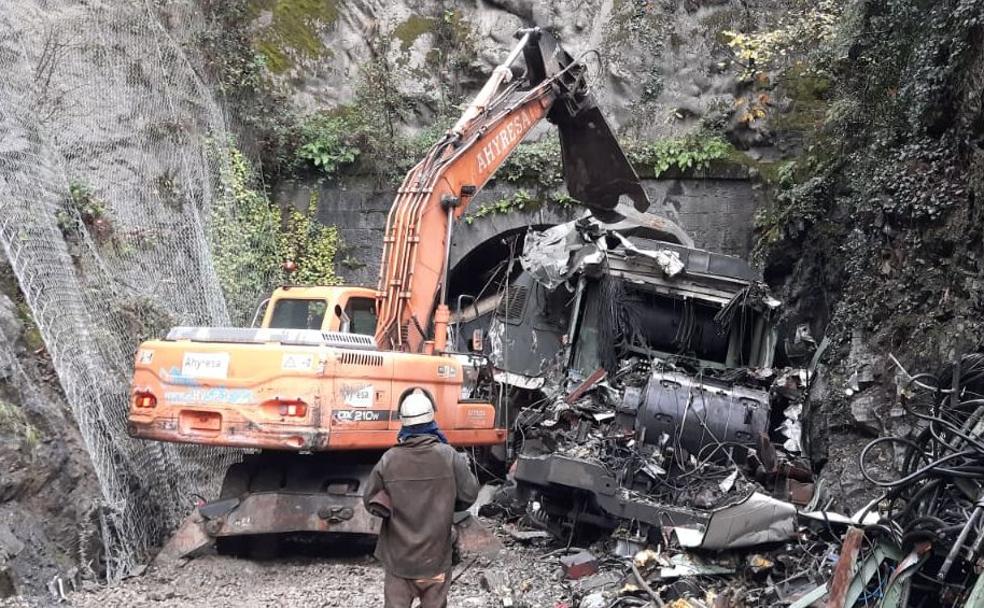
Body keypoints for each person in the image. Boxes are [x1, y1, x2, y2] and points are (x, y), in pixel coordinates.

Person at [364, 389, 480, 608]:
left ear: (404, 423)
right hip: (435, 562)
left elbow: (371, 501)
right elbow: (469, 495)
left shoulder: (389, 459)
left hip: (400, 564)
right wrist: (448, 502)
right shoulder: (448, 456)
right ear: (431, 419)